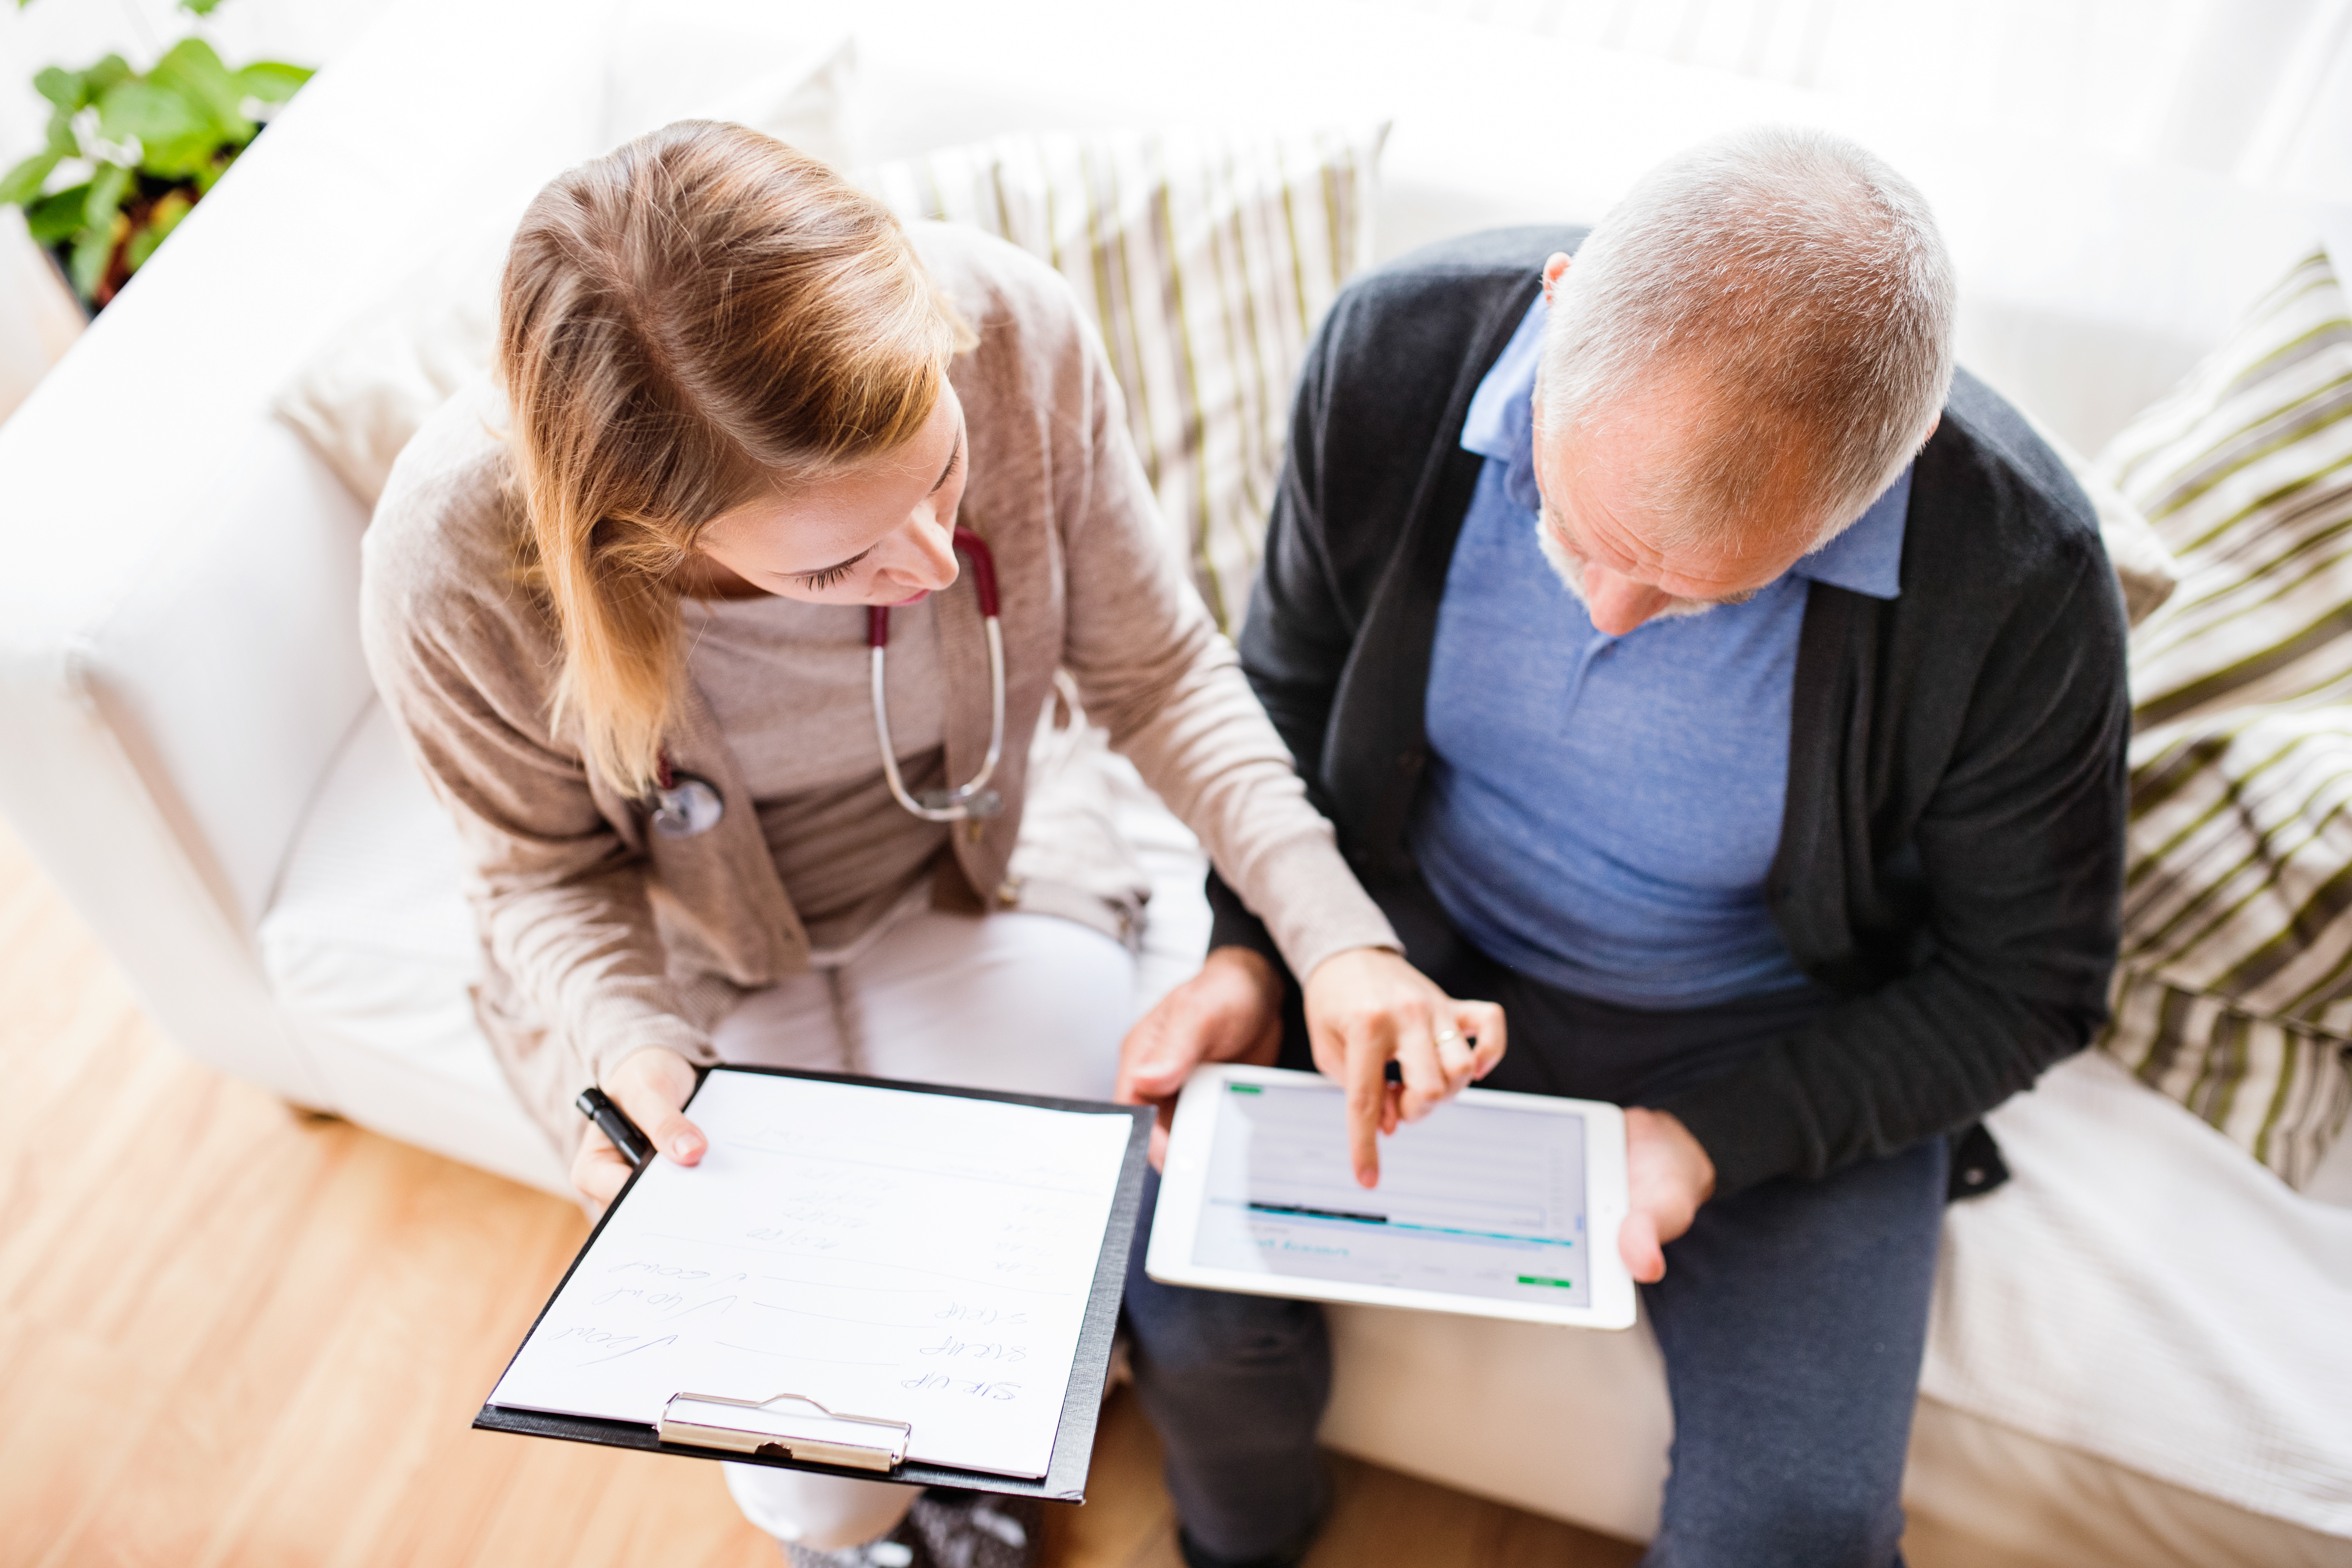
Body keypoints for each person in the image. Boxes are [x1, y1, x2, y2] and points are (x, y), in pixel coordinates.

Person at [358, 122, 1506, 1568]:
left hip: (989, 877)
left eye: (942, 476)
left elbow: (1157, 675)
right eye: (835, 564)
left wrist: (1338, 937)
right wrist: (627, 1044)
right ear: (634, 533)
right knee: (816, 1478)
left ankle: (984, 1480)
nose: (926, 563)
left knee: (1064, 1281)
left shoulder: (1014, 333)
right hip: (697, 971)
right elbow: (533, 873)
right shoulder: (457, 555)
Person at [1114, 125, 2130, 1568]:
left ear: (1885, 474)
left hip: (1773, 1034)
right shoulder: (1394, 353)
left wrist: (1712, 1143)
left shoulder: (2019, 572)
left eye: (1699, 590)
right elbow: (1281, 687)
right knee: (1186, 1306)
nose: (1604, 611)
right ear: (1558, 301)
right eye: (1573, 518)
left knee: (1795, 1527)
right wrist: (1253, 950)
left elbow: (2031, 985)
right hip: (1407, 946)